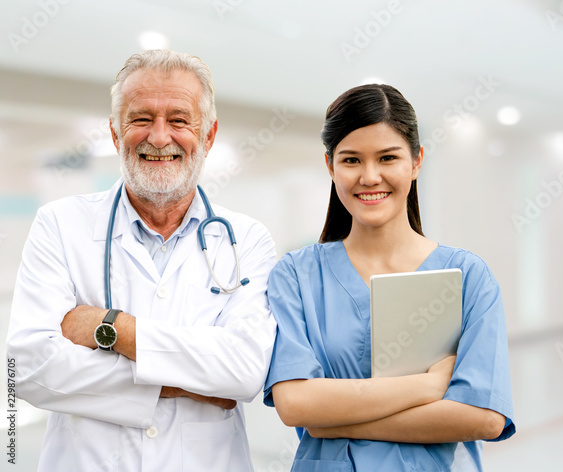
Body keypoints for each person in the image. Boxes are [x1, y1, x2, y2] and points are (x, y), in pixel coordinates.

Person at [5, 49, 277, 470]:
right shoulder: (60, 224)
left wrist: (111, 328)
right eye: (141, 118)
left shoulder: (248, 240)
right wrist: (191, 382)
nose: (159, 137)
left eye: (179, 119)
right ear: (115, 132)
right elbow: (25, 366)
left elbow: (242, 372)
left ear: (208, 135)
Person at [263, 84, 516, 471]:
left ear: (416, 162)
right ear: (330, 166)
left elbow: (483, 417)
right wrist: (429, 387)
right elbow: (296, 404)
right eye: (351, 161)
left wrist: (331, 422)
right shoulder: (296, 276)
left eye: (387, 157)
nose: (370, 176)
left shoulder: (469, 278)